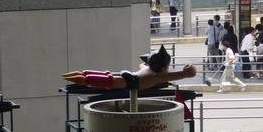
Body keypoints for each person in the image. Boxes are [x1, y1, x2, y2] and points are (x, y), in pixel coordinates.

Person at [63, 45, 196, 90]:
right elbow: (182, 74)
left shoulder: (146, 68)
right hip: (132, 81)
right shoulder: (157, 75)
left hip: (131, 75)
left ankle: (84, 74)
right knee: (108, 80)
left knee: (108, 76)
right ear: (162, 68)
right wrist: (187, 70)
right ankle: (85, 79)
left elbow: (142, 64)